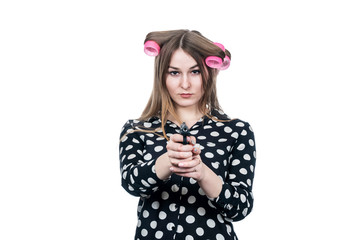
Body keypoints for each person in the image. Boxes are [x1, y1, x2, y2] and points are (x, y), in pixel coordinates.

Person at [119, 29, 256, 240]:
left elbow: (240, 207)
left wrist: (203, 173)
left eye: (195, 72)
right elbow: (131, 184)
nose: (185, 84)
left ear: (209, 72)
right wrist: (168, 161)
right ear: (161, 75)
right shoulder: (137, 129)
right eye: (174, 72)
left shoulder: (237, 131)